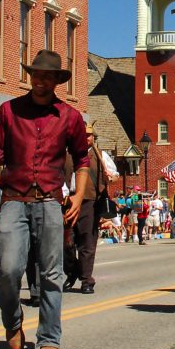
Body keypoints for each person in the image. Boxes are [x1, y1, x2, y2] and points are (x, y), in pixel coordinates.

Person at [0, 50, 89, 349]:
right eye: (36, 74)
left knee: (52, 274)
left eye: (47, 76)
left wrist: (79, 196)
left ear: (57, 80)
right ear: (30, 77)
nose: (40, 80)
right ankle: (13, 322)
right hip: (13, 199)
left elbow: (82, 160)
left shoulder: (70, 117)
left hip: (50, 201)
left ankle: (49, 339)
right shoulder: (9, 111)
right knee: (8, 269)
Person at [64, 124, 110, 294]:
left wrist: (110, 177)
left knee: (87, 242)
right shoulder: (65, 154)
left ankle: (86, 280)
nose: (86, 138)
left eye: (89, 136)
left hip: (89, 202)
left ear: (93, 138)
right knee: (64, 242)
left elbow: (113, 175)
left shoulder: (100, 156)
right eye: (83, 135)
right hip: (67, 202)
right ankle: (73, 271)